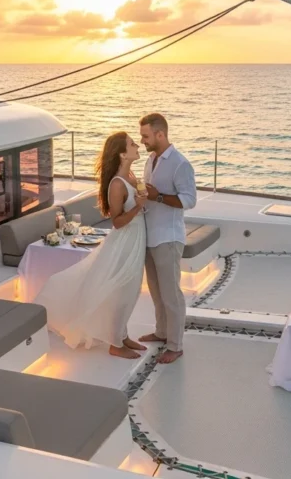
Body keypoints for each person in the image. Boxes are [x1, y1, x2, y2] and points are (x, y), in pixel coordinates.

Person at [34, 132, 149, 359]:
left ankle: (122, 335)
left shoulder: (132, 176)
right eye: (132, 144)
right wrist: (138, 207)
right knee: (122, 291)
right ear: (123, 154)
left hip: (136, 238)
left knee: (132, 289)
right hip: (125, 242)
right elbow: (117, 222)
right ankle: (115, 344)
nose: (137, 146)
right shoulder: (117, 184)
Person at [138, 113, 196, 364]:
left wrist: (158, 196)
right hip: (150, 235)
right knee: (155, 290)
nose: (142, 141)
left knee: (171, 294)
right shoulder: (151, 159)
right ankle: (162, 332)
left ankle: (175, 344)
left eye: (146, 136)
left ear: (160, 134)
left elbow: (189, 200)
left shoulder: (180, 164)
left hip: (168, 238)